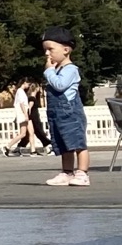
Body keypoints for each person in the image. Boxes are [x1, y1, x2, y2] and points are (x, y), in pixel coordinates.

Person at [42, 28, 89, 186]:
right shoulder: (57, 70)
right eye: (45, 50)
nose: (47, 54)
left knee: (78, 143)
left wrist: (49, 72)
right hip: (58, 115)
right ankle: (67, 172)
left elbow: (60, 85)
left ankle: (82, 173)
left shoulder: (70, 69)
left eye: (50, 49)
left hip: (71, 114)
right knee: (64, 145)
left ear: (66, 50)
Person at [5, 80, 39, 157]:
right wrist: (26, 114)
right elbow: (21, 104)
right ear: (24, 83)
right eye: (28, 83)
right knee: (23, 134)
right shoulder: (20, 91)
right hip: (23, 114)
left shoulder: (21, 92)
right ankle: (7, 146)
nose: (28, 85)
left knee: (31, 132)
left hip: (24, 114)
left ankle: (33, 151)